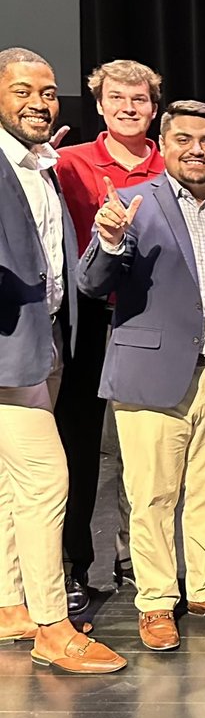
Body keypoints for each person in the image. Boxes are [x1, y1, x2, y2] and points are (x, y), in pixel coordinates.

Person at [77, 99, 205, 652]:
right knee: (152, 496)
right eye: (184, 139)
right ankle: (157, 600)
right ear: (165, 145)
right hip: (154, 375)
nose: (197, 150)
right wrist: (109, 238)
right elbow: (93, 283)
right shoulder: (135, 204)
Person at [0, 47, 126, 674]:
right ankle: (52, 625)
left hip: (43, 342)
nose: (39, 104)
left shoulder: (41, 168)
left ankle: (8, 605)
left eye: (48, 93)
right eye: (23, 91)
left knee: (10, 486)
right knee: (48, 478)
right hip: (4, 353)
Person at [54, 59, 166, 612]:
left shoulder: (174, 163)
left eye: (139, 99)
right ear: (99, 105)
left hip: (150, 317)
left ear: (153, 106)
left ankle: (138, 562)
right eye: (117, 98)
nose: (128, 107)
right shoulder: (67, 162)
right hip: (86, 318)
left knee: (147, 449)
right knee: (78, 450)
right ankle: (73, 566)